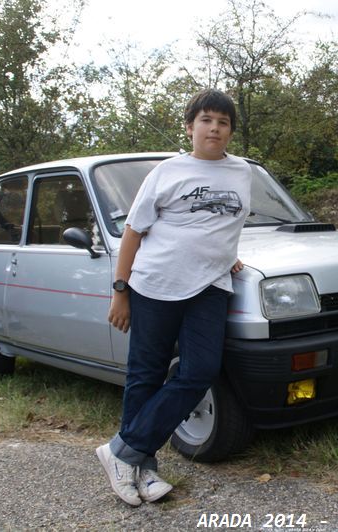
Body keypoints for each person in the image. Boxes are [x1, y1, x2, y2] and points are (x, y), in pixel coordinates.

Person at [96, 88, 252, 506]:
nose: (214, 128)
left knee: (199, 370)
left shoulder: (242, 172)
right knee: (145, 375)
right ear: (190, 127)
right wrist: (120, 291)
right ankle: (141, 471)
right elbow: (133, 231)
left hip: (210, 287)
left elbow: (224, 225)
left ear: (230, 131)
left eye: (222, 122)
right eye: (206, 120)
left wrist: (229, 255)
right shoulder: (167, 172)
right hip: (155, 286)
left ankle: (120, 451)